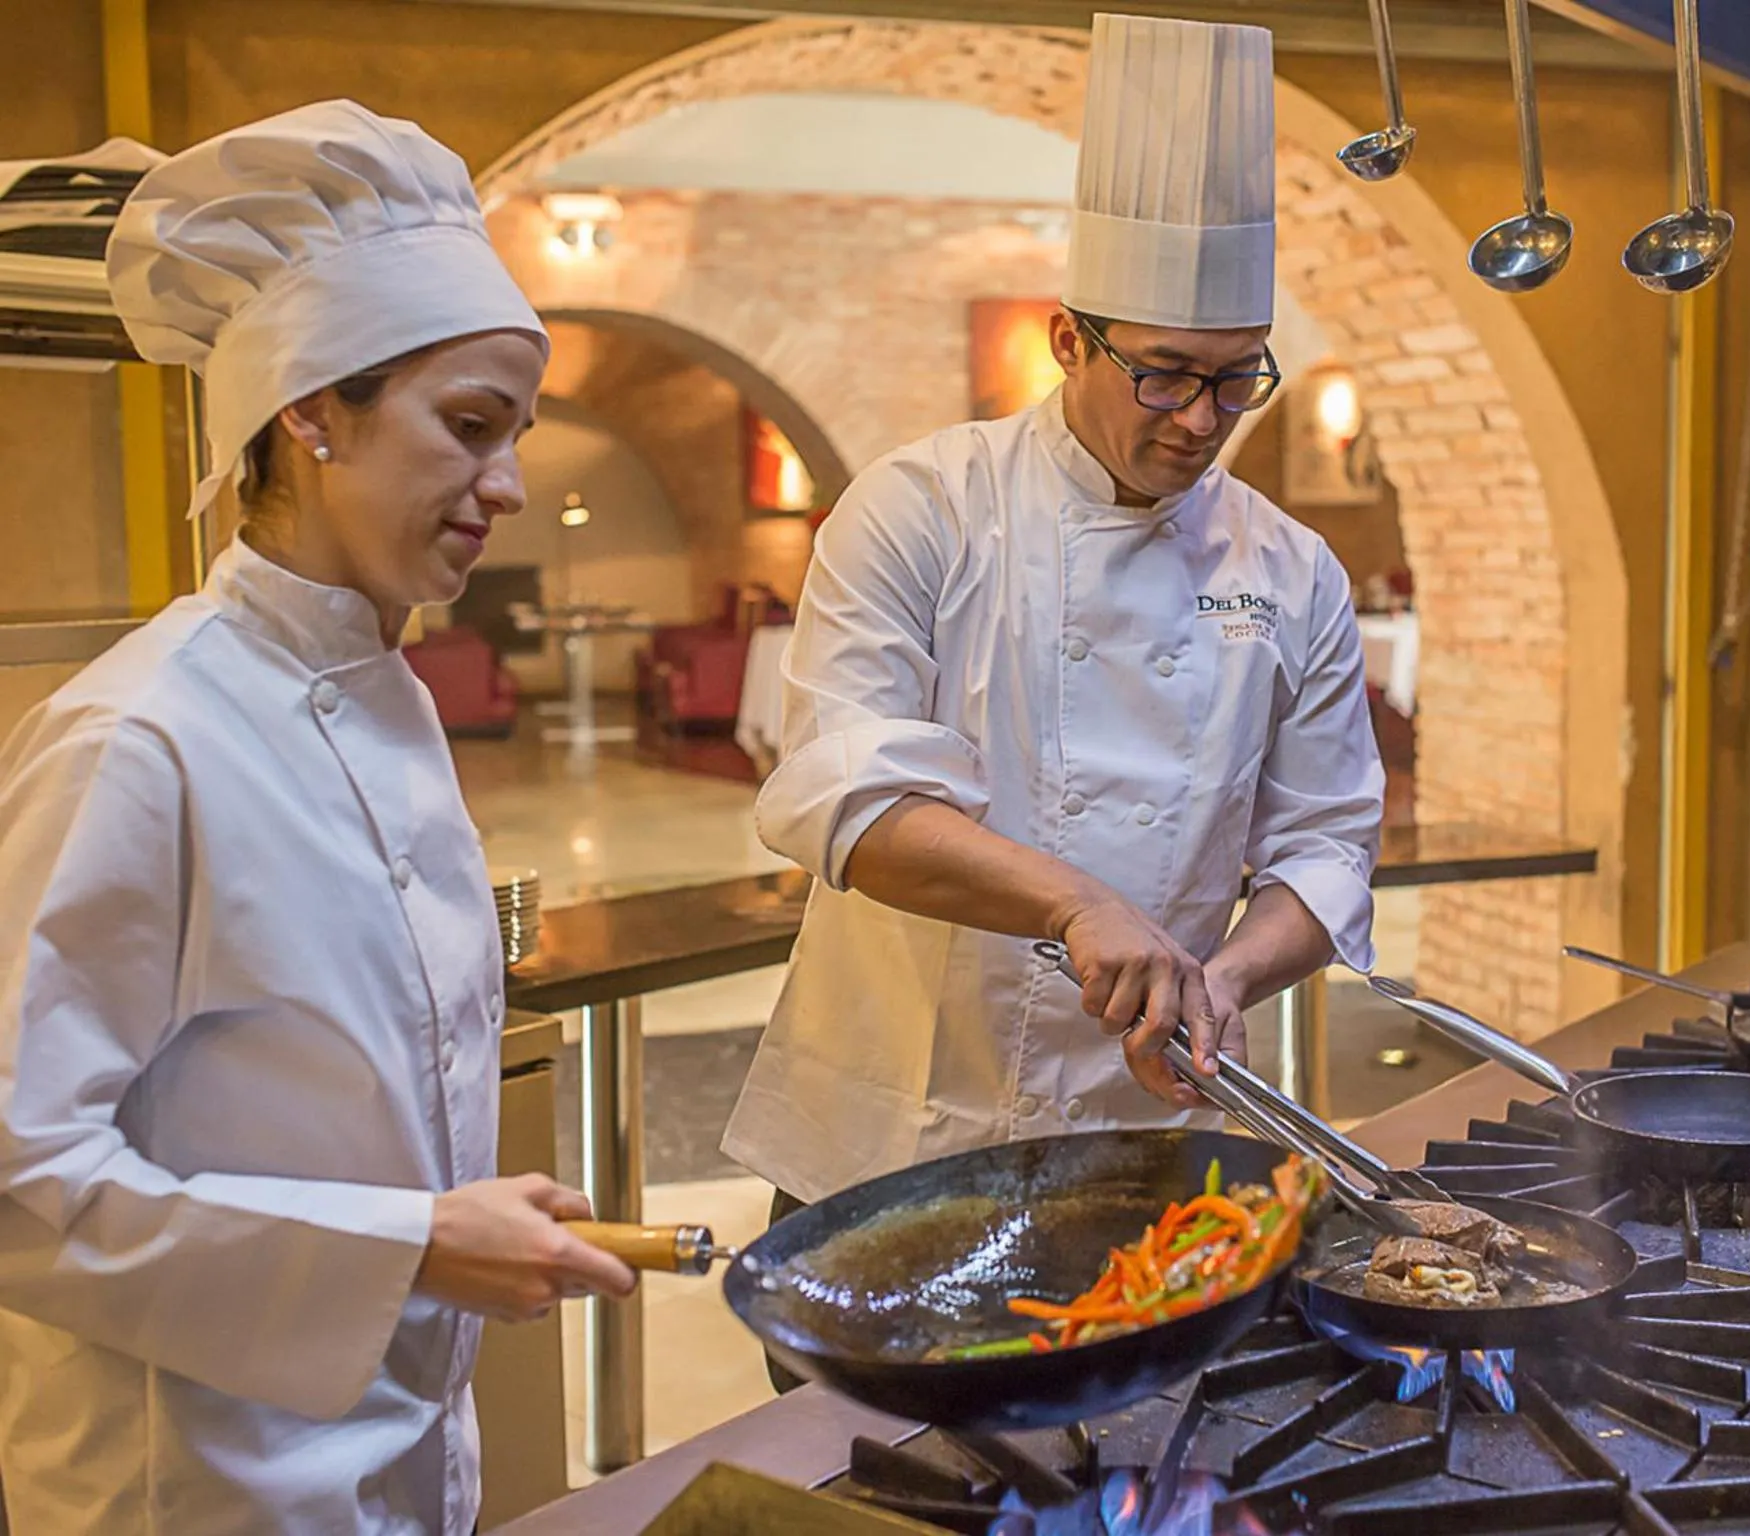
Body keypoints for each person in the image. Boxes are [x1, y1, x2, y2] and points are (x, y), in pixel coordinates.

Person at [0, 101, 636, 1534]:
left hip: (399, 1455)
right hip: (193, 1487)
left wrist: (444, 1230)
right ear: (309, 409)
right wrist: (409, 1248)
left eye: (515, 435)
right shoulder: (139, 740)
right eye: (467, 427)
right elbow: (19, 1182)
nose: (508, 486)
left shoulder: (386, 696)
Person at [723, 12, 1384, 1308]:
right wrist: (1080, 905)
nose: (1201, 420)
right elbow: (846, 800)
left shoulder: (1291, 568)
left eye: (1235, 381)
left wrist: (1222, 980)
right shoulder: (923, 506)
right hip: (893, 1140)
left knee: (1125, 1421)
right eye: (1165, 376)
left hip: (1144, 1137)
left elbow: (1327, 844)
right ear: (1067, 339)